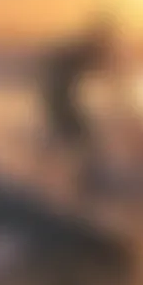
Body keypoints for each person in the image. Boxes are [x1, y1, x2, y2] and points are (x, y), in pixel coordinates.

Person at [39, 12, 118, 198]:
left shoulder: (88, 48)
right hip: (57, 97)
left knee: (75, 139)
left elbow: (109, 75)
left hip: (61, 97)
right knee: (80, 138)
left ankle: (77, 181)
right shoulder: (85, 48)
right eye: (106, 36)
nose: (108, 41)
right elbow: (55, 68)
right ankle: (79, 183)